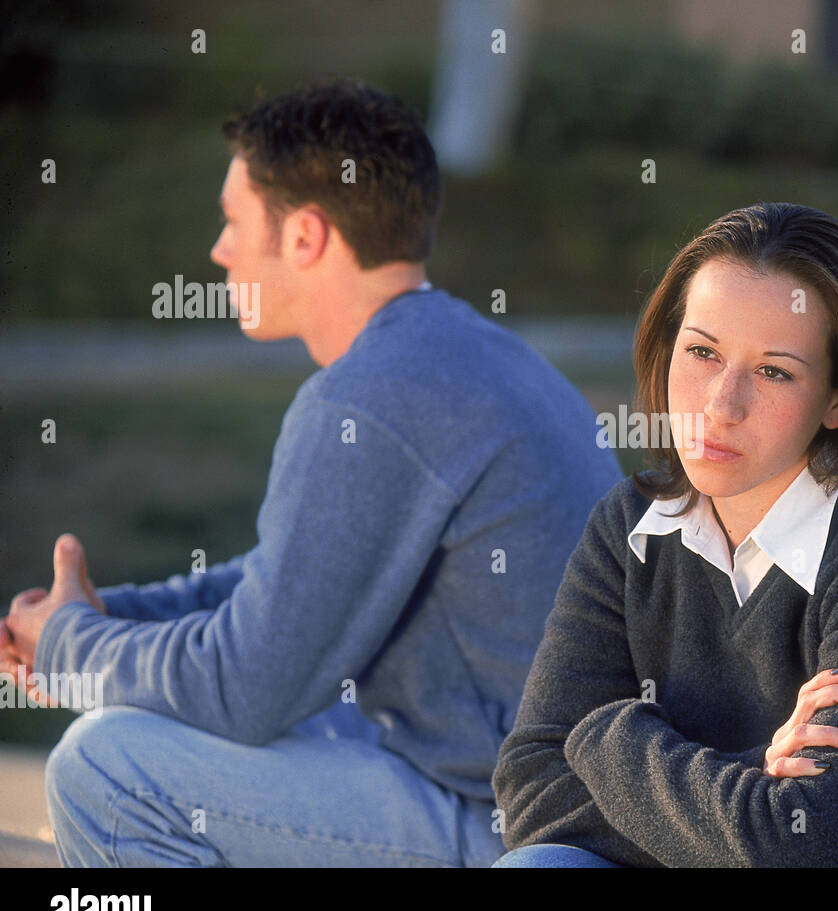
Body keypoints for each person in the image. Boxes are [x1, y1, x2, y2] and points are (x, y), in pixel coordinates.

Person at [0, 79, 622, 867]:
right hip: (518, 783)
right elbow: (286, 585)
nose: (219, 250)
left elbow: (246, 688)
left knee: (106, 764)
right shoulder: (468, 355)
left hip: (506, 820)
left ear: (305, 236)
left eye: (233, 220)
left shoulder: (369, 398)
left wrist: (70, 650)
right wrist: (101, 619)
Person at [491, 203, 838, 867]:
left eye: (773, 371)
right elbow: (530, 793)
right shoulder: (628, 528)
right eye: (702, 352)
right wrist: (757, 772)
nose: (721, 405)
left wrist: (606, 739)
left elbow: (804, 847)